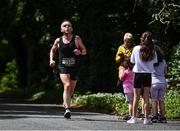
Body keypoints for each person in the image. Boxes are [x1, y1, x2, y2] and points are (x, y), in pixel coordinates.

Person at [49, 19, 87, 119]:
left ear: (72, 28)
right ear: (61, 29)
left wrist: (80, 52)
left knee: (71, 90)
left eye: (69, 25)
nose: (67, 27)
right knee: (67, 85)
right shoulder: (58, 40)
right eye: (65, 26)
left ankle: (66, 102)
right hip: (63, 66)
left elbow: (84, 51)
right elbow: (52, 50)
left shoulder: (77, 39)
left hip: (74, 67)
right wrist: (51, 60)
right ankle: (67, 109)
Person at [127, 31, 158, 124]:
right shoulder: (153, 50)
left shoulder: (136, 48)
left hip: (138, 74)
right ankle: (146, 118)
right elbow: (155, 62)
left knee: (136, 97)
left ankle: (133, 118)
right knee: (146, 97)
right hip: (148, 74)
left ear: (141, 39)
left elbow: (132, 61)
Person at [150, 45, 167, 123]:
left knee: (154, 100)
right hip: (162, 82)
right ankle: (163, 117)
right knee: (161, 100)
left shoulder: (151, 61)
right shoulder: (163, 61)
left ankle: (155, 116)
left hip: (154, 82)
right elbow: (165, 72)